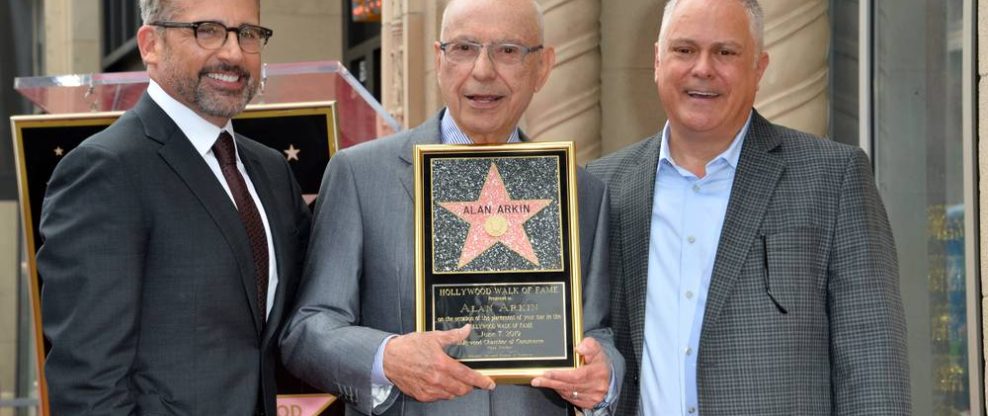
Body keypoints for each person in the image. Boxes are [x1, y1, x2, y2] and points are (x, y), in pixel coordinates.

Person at [279, 0, 623, 414]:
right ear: (438, 59)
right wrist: (386, 357)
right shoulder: (359, 175)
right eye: (463, 48)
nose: (482, 70)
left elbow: (596, 330)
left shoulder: (580, 190)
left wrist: (605, 373)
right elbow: (308, 329)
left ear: (544, 67)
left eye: (508, 51)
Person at [586, 0, 910, 414]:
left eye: (725, 52)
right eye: (684, 50)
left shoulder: (833, 178)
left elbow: (873, 363)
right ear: (656, 60)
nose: (702, 68)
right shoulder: (603, 185)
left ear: (759, 68)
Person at [37, 0, 311, 414]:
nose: (233, 53)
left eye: (248, 34)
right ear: (151, 44)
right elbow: (87, 383)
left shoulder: (270, 170)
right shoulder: (106, 170)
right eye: (207, 30)